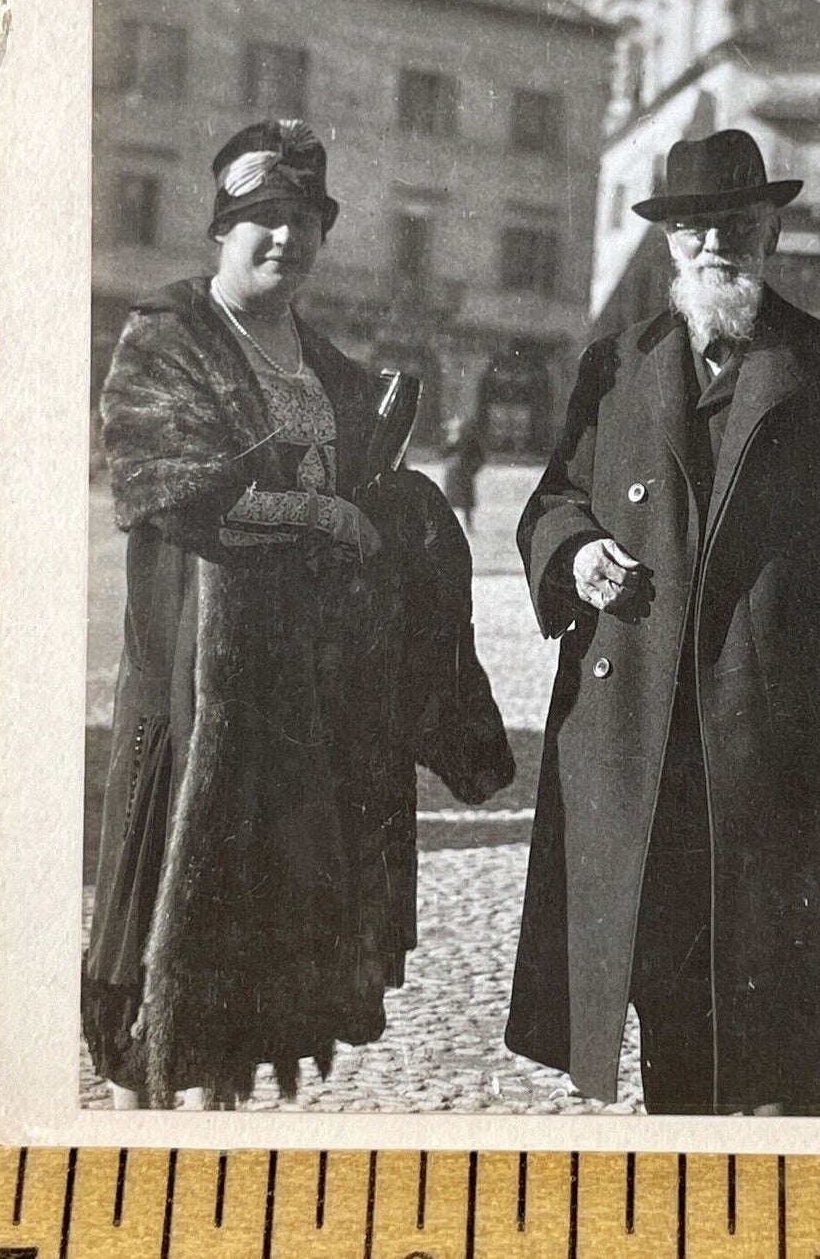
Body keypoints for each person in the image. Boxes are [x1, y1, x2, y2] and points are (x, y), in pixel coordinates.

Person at [83, 119, 513, 1109]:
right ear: (219, 231)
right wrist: (324, 512)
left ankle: (227, 1107)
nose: (285, 238)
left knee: (268, 960)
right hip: (199, 687)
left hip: (305, 700)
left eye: (304, 221)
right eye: (261, 220)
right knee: (167, 953)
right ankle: (153, 1119)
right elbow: (167, 485)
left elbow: (370, 498)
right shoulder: (167, 332)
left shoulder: (332, 365)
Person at [506, 129, 820, 1115]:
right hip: (638, 735)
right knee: (660, 986)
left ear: (770, 231)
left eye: (735, 227)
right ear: (666, 243)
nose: (714, 247)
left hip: (766, 734)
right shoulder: (614, 365)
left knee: (772, 1003)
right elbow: (552, 499)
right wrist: (573, 553)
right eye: (693, 229)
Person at [442, 415, 487, 532]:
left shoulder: (470, 440)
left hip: (465, 474)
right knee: (452, 501)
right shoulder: (454, 439)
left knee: (465, 502)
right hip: (455, 474)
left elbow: (480, 457)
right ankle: (448, 525)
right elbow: (444, 453)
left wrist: (473, 469)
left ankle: (467, 525)